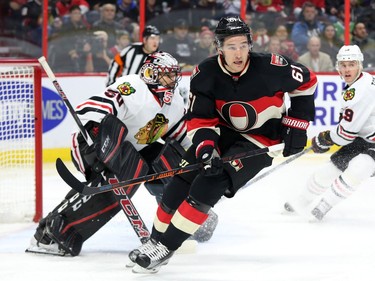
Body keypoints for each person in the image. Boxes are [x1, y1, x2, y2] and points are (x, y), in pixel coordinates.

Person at [128, 15, 317, 273]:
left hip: (260, 139)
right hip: (222, 132)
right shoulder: (205, 74)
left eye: (242, 45)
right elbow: (203, 119)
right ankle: (154, 241)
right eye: (231, 46)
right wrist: (207, 148)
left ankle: (165, 247)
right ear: (219, 48)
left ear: (250, 44)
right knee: (181, 179)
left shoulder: (272, 66)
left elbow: (307, 82)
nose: (238, 53)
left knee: (210, 184)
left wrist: (297, 124)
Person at [25, 51, 218, 257]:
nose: (174, 80)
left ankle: (182, 219)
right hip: (92, 146)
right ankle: (53, 233)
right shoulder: (133, 86)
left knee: (170, 156)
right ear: (151, 73)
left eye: (174, 74)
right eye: (168, 75)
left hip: (129, 152)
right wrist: (97, 141)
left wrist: (204, 157)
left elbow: (183, 137)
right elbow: (94, 110)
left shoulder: (173, 104)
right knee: (129, 167)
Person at [284, 45, 375, 221]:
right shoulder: (359, 83)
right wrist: (328, 139)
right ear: (337, 67)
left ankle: (324, 205)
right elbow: (349, 130)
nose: (347, 69)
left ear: (360, 65)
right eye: (343, 65)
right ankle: (301, 201)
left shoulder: (361, 91)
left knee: (360, 166)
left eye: (351, 64)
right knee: (333, 167)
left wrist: (325, 138)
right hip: (364, 139)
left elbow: (345, 135)